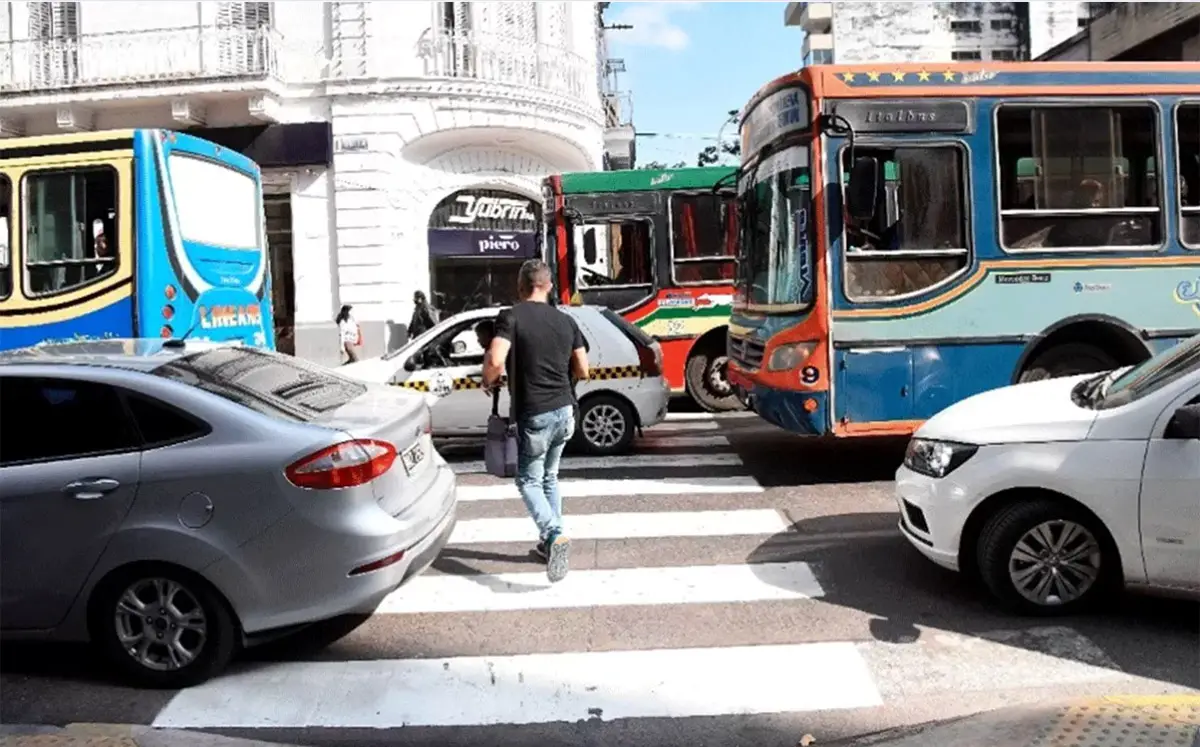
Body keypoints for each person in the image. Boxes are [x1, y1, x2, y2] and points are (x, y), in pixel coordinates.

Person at [482, 259, 588, 583]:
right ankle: (549, 543)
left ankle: (554, 534)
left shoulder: (510, 316)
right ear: (549, 286)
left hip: (536, 413)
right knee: (550, 477)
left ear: (520, 286)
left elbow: (496, 359)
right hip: (566, 411)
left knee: (528, 480)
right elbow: (583, 369)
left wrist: (490, 379)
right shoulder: (566, 321)